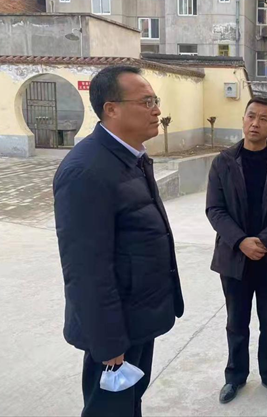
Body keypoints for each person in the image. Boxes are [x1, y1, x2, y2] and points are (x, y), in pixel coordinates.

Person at [53, 66, 184, 417]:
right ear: (111, 109)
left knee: (130, 404)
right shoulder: (86, 171)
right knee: (109, 411)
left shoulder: (130, 157)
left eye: (155, 100)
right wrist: (108, 342)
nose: (157, 110)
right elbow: (85, 269)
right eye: (146, 102)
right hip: (116, 330)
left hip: (138, 317)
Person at [206, 96, 267, 405]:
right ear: (243, 120)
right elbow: (215, 209)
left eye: (263, 119)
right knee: (236, 323)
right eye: (251, 116)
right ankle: (234, 376)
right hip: (235, 258)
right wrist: (241, 241)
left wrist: (262, 242)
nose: (255, 123)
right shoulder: (223, 162)